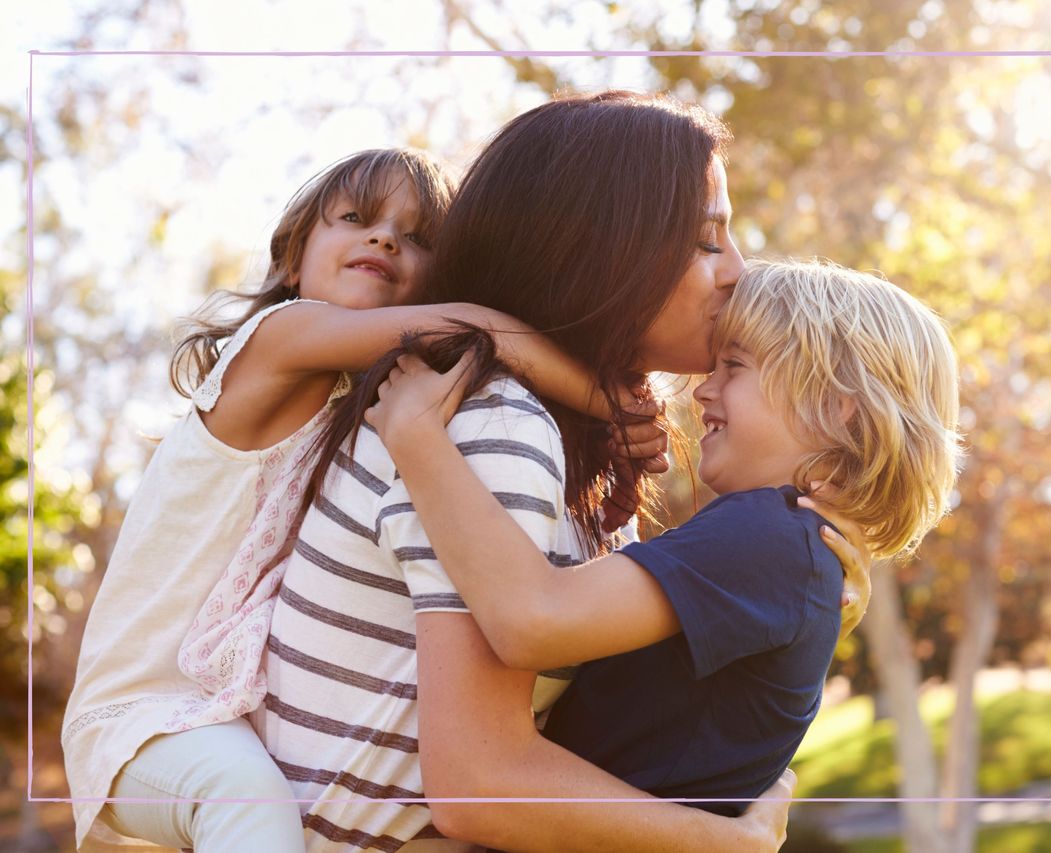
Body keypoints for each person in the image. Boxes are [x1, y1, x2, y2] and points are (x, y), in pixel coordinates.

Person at [257, 93, 869, 852]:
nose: (736, 270)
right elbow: (480, 784)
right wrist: (726, 843)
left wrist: (787, 591)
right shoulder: (494, 424)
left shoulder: (554, 440)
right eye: (707, 238)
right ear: (604, 247)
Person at [60, 147, 639, 853]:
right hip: (141, 713)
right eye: (357, 218)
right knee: (248, 805)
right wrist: (610, 407)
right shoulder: (278, 338)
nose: (386, 238)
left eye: (417, 236)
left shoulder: (363, 403)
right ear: (292, 261)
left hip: (225, 707)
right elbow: (473, 331)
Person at [369, 258, 962, 816]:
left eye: (735, 366)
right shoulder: (794, 549)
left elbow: (532, 618)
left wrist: (416, 436)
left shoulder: (768, 534)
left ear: (837, 411)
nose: (704, 389)